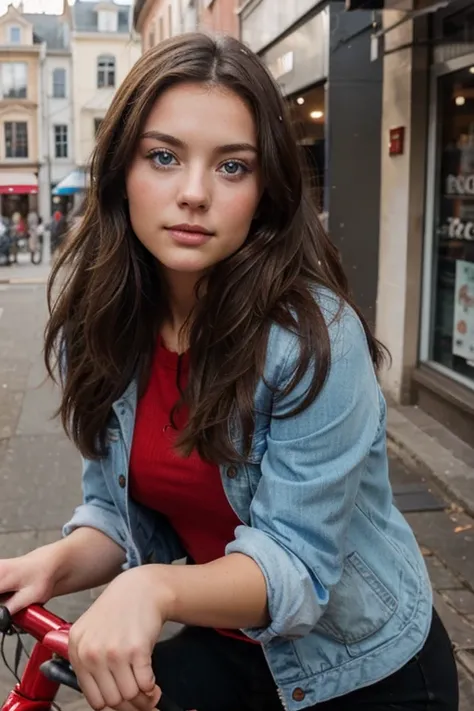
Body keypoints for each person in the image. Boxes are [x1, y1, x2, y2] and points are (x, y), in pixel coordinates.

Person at [0, 33, 458, 711]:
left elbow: (295, 565)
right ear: (122, 171)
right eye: (163, 156)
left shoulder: (313, 338)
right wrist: (49, 566)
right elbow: (117, 511)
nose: (193, 193)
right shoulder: (103, 324)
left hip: (365, 666)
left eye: (232, 167)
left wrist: (151, 587)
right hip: (229, 642)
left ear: (266, 189)